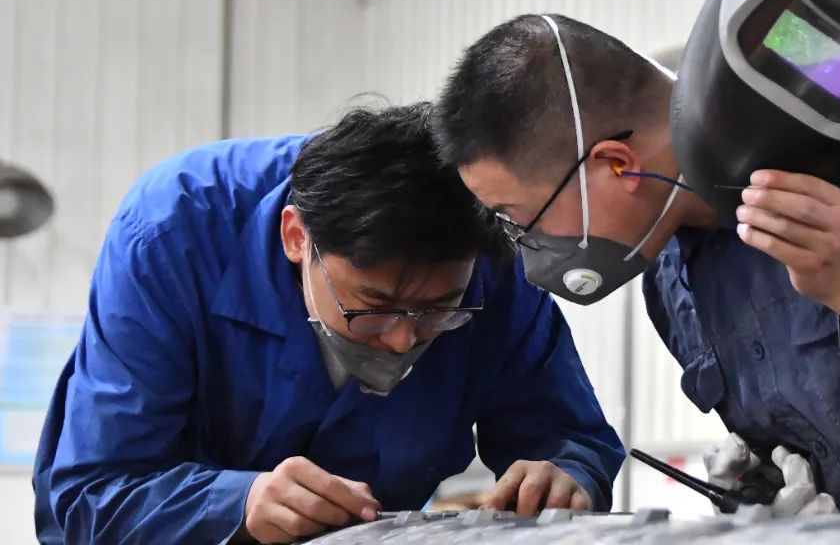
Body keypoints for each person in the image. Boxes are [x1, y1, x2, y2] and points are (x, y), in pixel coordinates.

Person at [434, 13, 840, 512]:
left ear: (616, 166)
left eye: (519, 217)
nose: (525, 245)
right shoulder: (670, 274)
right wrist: (763, 490)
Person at [33, 102, 624, 544]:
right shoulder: (171, 236)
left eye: (439, 311)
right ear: (297, 238)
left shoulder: (491, 256)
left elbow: (566, 436)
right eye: (373, 305)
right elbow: (94, 491)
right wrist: (236, 504)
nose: (402, 340)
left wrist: (566, 475)